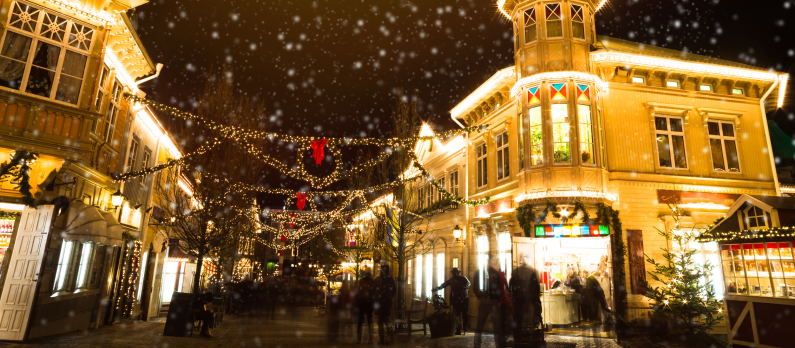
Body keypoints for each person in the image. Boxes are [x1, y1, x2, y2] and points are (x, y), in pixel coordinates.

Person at [473, 257, 511, 348]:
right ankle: (498, 345)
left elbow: (475, 286)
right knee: (495, 327)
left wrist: (480, 295)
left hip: (485, 301)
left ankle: (477, 345)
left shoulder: (480, 272)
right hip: (493, 302)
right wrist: (497, 299)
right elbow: (499, 288)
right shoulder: (495, 273)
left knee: (480, 326)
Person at [509, 254, 541, 344]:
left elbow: (511, 286)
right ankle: (530, 339)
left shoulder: (515, 271)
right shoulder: (534, 271)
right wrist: (536, 299)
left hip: (518, 300)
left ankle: (518, 339)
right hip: (529, 300)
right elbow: (537, 288)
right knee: (530, 320)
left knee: (518, 320)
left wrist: (513, 297)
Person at [433, 267, 471, 335]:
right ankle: (458, 330)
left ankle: (465, 330)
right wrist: (437, 289)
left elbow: (468, 283)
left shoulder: (463, 278)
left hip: (464, 299)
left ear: (457, 273)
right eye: (452, 273)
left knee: (465, 315)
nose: (452, 274)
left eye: (453, 273)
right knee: (457, 315)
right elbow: (444, 285)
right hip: (456, 299)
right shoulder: (451, 280)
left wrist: (466, 287)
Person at [374, 265, 396, 345]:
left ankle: (383, 340)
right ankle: (389, 338)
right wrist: (389, 297)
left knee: (381, 321)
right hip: (386, 302)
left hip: (381, 302)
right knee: (385, 320)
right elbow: (394, 291)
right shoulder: (390, 279)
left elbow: (374, 291)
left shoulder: (379, 279)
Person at [355, 270, 376, 344]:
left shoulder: (361, 281)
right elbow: (373, 291)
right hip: (369, 301)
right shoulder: (372, 281)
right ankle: (370, 339)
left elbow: (358, 291)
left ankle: (359, 338)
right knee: (369, 320)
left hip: (361, 301)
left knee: (360, 320)